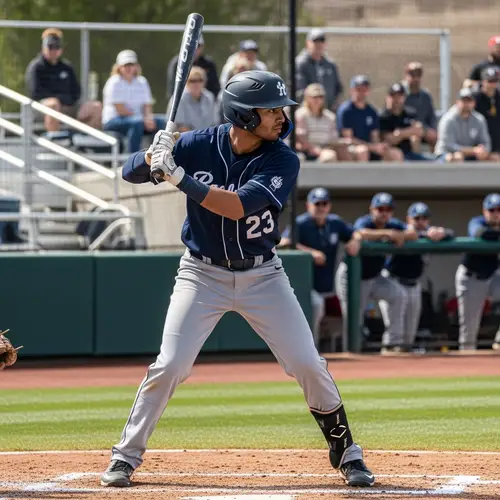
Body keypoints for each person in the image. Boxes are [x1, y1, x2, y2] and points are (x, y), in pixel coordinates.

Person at [100, 70, 375, 489]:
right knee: (170, 364)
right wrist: (153, 158)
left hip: (263, 275)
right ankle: (125, 456)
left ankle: (346, 451)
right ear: (245, 115)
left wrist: (177, 177)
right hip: (201, 273)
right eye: (272, 111)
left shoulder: (283, 158)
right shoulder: (198, 143)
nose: (283, 118)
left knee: (306, 362)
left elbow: (239, 206)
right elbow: (127, 172)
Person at [335, 192, 417, 354]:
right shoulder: (366, 221)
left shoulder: (393, 224)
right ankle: (350, 354)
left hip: (375, 277)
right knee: (353, 318)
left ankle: (391, 345)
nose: (384, 213)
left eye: (388, 209)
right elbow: (360, 233)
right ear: (372, 209)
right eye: (380, 209)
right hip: (352, 277)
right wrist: (388, 234)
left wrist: (400, 235)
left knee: (399, 295)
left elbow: (413, 233)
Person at [280, 187, 362, 347]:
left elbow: (355, 233)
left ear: (329, 206)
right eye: (317, 204)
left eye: (324, 204)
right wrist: (311, 253)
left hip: (328, 286)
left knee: (346, 311)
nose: (321, 208)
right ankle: (310, 348)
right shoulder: (301, 223)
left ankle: (347, 350)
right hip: (305, 285)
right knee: (317, 305)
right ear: (309, 206)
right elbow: (283, 243)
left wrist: (355, 240)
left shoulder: (334, 222)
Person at [381, 202, 453, 351]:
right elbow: (395, 231)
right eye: (417, 218)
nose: (420, 222)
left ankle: (402, 368)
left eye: (424, 218)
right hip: (394, 282)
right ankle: (386, 359)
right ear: (409, 219)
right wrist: (424, 234)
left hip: (414, 285)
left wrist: (442, 232)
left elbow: (450, 234)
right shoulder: (401, 229)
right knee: (395, 333)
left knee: (409, 336)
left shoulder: (429, 234)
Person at [24, 28, 102, 132]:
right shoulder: (36, 67)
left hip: (68, 106)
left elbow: (77, 92)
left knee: (95, 107)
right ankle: (55, 142)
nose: (54, 50)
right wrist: (58, 100)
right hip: (43, 109)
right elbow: (35, 93)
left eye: (57, 47)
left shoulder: (67, 67)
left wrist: (66, 101)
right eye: (50, 47)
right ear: (43, 48)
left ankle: (87, 142)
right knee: (53, 104)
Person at [456, 193, 500, 351]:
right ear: (485, 211)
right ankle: (465, 366)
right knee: (469, 329)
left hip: (492, 276)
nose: (496, 213)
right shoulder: (476, 221)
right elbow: (480, 233)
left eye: (499, 210)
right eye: (492, 210)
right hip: (471, 277)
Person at [102, 50, 166, 153]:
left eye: (131, 64)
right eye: (125, 65)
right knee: (137, 123)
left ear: (136, 66)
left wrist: (148, 118)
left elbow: (147, 105)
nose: (128, 68)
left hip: (139, 119)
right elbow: (120, 110)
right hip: (113, 121)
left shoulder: (142, 81)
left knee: (162, 121)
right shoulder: (114, 82)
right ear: (119, 67)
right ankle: (132, 158)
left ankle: (159, 156)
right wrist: (144, 120)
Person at [336, 75, 402, 162]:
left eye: (364, 89)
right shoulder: (346, 110)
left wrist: (379, 146)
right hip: (351, 148)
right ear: (352, 90)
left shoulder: (371, 111)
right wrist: (371, 147)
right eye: (358, 89)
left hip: (370, 147)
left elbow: (374, 135)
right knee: (362, 151)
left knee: (395, 153)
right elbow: (349, 138)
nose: (362, 92)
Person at [295, 83, 352, 162]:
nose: (317, 100)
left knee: (346, 151)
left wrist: (344, 142)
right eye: (314, 97)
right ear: (307, 98)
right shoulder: (301, 115)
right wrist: (314, 149)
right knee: (329, 157)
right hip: (306, 151)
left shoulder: (330, 116)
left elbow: (333, 139)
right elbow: (301, 137)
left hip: (326, 148)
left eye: (320, 97)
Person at [435, 88, 494, 162]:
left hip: (471, 155)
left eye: (469, 101)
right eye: (463, 101)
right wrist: (472, 150)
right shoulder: (448, 119)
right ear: (457, 102)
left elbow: (486, 143)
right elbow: (449, 145)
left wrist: (483, 150)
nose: (466, 104)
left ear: (474, 103)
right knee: (457, 157)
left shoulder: (479, 119)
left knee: (494, 158)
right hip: (446, 155)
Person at [296, 28, 343, 111]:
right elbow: (299, 91)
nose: (318, 44)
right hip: (307, 113)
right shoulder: (300, 63)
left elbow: (338, 89)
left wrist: (334, 106)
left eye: (321, 41)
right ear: (307, 43)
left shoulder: (330, 64)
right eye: (315, 41)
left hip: (328, 112)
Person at [379, 83, 429, 161]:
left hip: (410, 153)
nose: (396, 99)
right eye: (393, 96)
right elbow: (390, 140)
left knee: (433, 163)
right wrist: (409, 132)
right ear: (388, 98)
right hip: (393, 156)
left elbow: (419, 131)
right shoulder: (383, 116)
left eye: (399, 96)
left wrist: (400, 134)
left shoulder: (410, 113)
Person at [167, 34, 220, 99]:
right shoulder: (177, 63)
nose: (194, 49)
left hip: (204, 102)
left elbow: (215, 88)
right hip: (182, 102)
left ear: (202, 47)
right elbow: (172, 88)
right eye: (190, 45)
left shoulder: (209, 64)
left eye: (198, 46)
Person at [166, 66, 217, 132]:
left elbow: (215, 123)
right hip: (185, 138)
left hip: (208, 136)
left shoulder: (210, 97)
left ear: (204, 82)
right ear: (186, 82)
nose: (196, 84)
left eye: (200, 80)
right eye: (192, 81)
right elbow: (180, 127)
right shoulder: (178, 99)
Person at [402, 61, 438, 149]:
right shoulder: (400, 94)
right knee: (415, 138)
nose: (415, 78)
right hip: (407, 131)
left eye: (418, 75)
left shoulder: (426, 96)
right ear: (406, 75)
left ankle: (437, 161)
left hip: (425, 132)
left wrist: (433, 130)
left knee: (436, 137)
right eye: (412, 74)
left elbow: (431, 117)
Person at [215, 56, 254, 124]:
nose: (241, 72)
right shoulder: (224, 95)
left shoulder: (253, 91)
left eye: (244, 69)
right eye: (239, 69)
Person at [474, 68, 500, 160]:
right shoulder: (475, 98)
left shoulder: (498, 96)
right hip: (480, 145)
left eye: (495, 81)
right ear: (483, 81)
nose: (492, 84)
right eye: (489, 81)